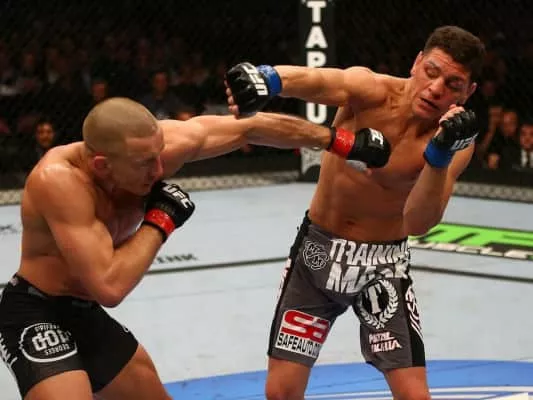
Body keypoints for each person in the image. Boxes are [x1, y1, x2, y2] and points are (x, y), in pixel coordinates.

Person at [0, 96, 390, 400]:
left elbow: (249, 127)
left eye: (158, 155)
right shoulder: (59, 181)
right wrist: (160, 221)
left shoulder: (156, 152)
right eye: (144, 163)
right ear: (102, 165)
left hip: (83, 311)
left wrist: (340, 142)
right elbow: (109, 285)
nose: (158, 170)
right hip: (36, 310)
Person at [225, 25, 485, 400]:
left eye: (452, 84)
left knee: (415, 397)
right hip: (316, 256)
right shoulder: (372, 91)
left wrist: (439, 156)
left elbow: (418, 222)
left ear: (467, 92)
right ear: (416, 63)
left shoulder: (457, 143)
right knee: (280, 393)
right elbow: (320, 81)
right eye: (431, 72)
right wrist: (270, 78)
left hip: (383, 267)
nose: (435, 88)